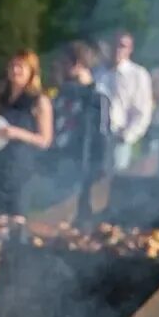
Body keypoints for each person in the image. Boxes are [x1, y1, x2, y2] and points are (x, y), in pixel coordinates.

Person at [0, 50, 53, 217]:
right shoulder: (0, 96)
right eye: (12, 66)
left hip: (21, 168)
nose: (15, 70)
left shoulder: (39, 101)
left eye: (20, 67)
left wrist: (17, 133)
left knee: (16, 218)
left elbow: (45, 140)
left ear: (31, 72)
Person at [47, 41, 110, 206]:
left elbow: (102, 136)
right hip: (58, 163)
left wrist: (98, 168)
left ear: (78, 64)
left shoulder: (97, 98)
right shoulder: (62, 94)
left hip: (82, 164)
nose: (61, 67)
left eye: (65, 63)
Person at [95, 30, 153, 171]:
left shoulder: (138, 75)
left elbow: (143, 111)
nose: (117, 49)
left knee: (116, 183)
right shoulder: (97, 72)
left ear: (130, 49)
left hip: (118, 138)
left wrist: (127, 136)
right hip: (94, 138)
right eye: (114, 45)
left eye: (122, 46)